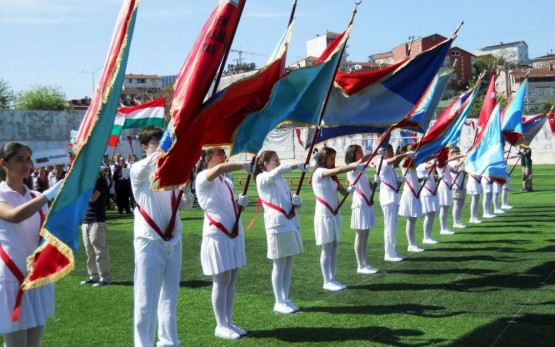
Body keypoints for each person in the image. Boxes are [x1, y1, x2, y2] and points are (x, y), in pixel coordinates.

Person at [131, 126, 195, 347]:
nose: (163, 148)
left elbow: (186, 205)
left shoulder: (172, 174)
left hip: (173, 240)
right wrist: (166, 150)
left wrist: (186, 188)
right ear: (144, 147)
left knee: (170, 296)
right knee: (146, 298)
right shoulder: (138, 170)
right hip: (149, 241)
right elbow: (146, 166)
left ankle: (168, 341)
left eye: (164, 142)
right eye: (156, 143)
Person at [0, 141, 63, 347]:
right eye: (19, 159)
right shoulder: (3, 195)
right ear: (4, 163)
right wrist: (49, 194)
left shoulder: (35, 196)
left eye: (28, 159)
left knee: (34, 344)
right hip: (10, 277)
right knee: (16, 343)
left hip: (35, 276)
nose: (26, 164)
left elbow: (45, 233)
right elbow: (14, 216)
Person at [195, 148, 251, 340]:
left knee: (232, 279)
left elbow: (229, 205)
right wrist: (244, 164)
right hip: (217, 234)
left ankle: (228, 321)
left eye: (223, 154)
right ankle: (220, 324)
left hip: (233, 232)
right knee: (221, 280)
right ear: (207, 158)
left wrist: (239, 203)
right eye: (219, 154)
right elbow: (218, 170)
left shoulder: (226, 181)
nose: (223, 157)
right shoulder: (203, 176)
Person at [254, 151, 305, 314]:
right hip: (276, 225)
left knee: (288, 262)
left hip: (289, 223)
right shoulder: (262, 178)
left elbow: (285, 199)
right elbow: (276, 173)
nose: (278, 163)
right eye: (275, 161)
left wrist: (296, 203)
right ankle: (278, 301)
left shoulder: (281, 179)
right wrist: (295, 165)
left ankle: (285, 297)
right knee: (279, 263)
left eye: (278, 160)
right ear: (265, 164)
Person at [312, 146, 364, 291]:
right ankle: (326, 280)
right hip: (324, 215)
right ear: (324, 158)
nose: (333, 161)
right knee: (327, 249)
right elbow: (337, 170)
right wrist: (353, 165)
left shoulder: (332, 177)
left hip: (334, 213)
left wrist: (348, 190)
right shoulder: (319, 172)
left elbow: (341, 191)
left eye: (334, 158)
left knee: (334, 248)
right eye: (331, 158)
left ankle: (332, 278)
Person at [344, 145, 379, 274]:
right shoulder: (352, 166)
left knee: (366, 235)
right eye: (359, 151)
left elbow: (369, 186)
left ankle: (365, 262)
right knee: (360, 235)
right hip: (359, 203)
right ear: (353, 154)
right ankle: (360, 265)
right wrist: (375, 152)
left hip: (367, 202)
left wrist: (376, 182)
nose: (362, 153)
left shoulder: (362, 170)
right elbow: (361, 161)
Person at [80, 166, 112, 287]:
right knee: (89, 250)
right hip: (86, 219)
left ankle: (105, 277)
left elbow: (93, 198)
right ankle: (93, 276)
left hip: (97, 219)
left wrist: (85, 188)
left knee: (99, 249)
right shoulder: (91, 183)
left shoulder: (100, 182)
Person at [379, 144, 411, 262]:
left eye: (392, 150)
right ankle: (388, 253)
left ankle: (392, 250)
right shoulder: (382, 162)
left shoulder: (390, 166)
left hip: (393, 197)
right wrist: (406, 154)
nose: (392, 152)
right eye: (390, 150)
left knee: (393, 226)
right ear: (384, 152)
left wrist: (399, 182)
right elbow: (392, 160)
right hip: (388, 199)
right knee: (389, 227)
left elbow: (392, 184)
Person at [398, 145, 424, 252]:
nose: (413, 152)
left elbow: (415, 179)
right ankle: (411, 244)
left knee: (413, 220)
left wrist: (433, 156)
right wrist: (408, 155)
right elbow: (403, 162)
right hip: (409, 194)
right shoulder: (404, 162)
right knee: (410, 220)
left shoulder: (413, 164)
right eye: (411, 150)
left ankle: (413, 243)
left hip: (415, 193)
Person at [417, 159, 439, 244]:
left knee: (432, 215)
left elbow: (431, 175)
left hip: (432, 192)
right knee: (428, 215)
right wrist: (435, 159)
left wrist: (437, 177)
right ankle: (425, 237)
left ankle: (429, 236)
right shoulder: (421, 165)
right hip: (426, 192)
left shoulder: (427, 165)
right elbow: (430, 165)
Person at [449, 146, 467, 228]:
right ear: (452, 153)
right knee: (456, 204)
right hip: (455, 185)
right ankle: (455, 222)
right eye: (456, 152)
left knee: (461, 204)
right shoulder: (451, 162)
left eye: (458, 152)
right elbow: (457, 165)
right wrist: (464, 157)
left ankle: (458, 220)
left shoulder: (459, 160)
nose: (458, 153)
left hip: (462, 185)